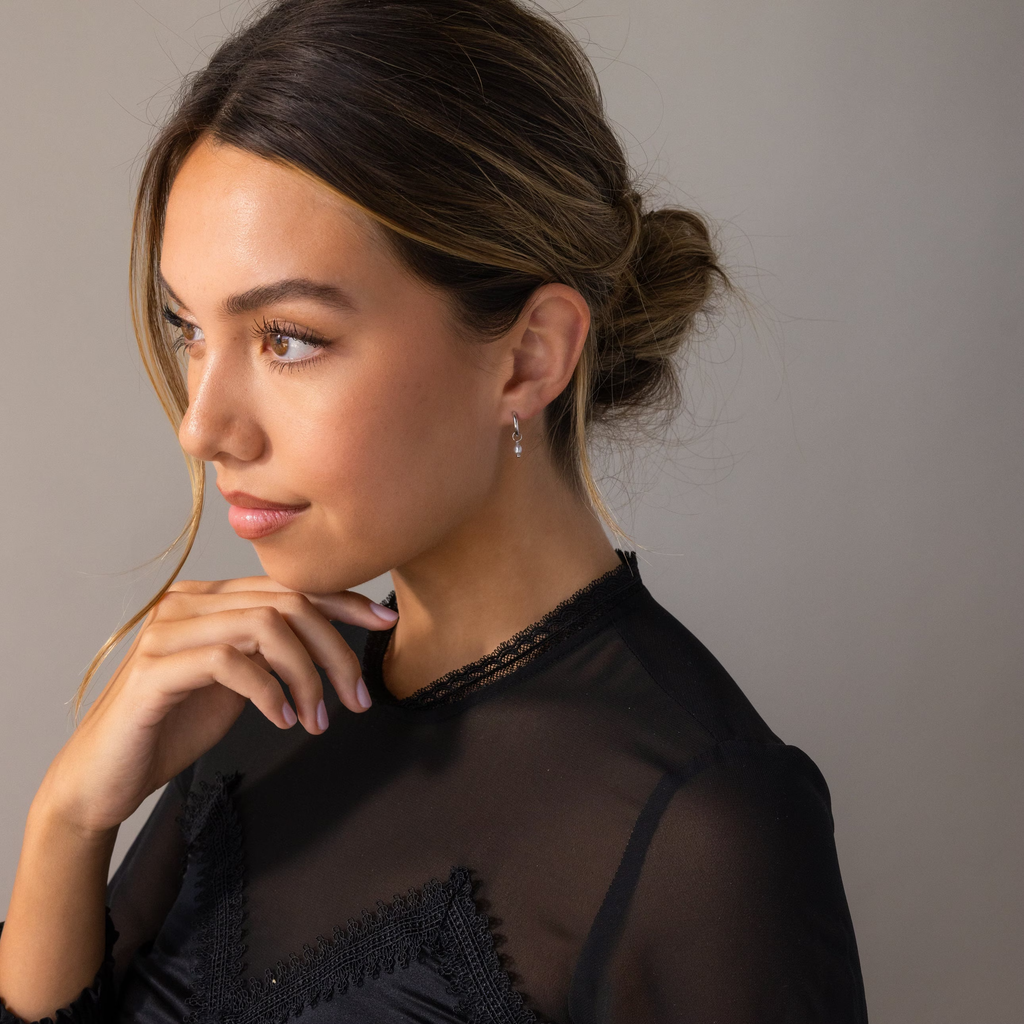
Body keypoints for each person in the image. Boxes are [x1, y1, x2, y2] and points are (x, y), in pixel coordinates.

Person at [0, 0, 869, 1020]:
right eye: (190, 328)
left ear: (528, 354)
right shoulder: (259, 698)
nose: (204, 426)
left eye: (286, 336)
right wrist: (68, 817)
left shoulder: (706, 822)